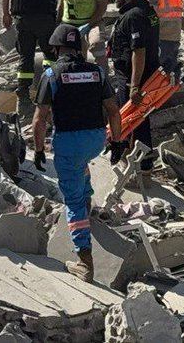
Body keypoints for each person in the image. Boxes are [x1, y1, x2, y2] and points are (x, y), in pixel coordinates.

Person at [32, 23, 125, 282]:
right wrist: (117, 142)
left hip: (68, 142)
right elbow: (114, 111)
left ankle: (85, 262)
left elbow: (39, 120)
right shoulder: (96, 72)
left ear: (57, 48)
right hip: (95, 139)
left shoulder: (51, 74)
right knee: (81, 168)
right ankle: (87, 204)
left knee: (71, 200)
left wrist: (39, 150)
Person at [107, 0, 160, 188]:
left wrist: (134, 85)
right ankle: (140, 167)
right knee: (139, 120)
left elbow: (139, 51)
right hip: (143, 75)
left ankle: (140, 171)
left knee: (132, 122)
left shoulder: (134, 16)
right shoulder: (147, 10)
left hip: (131, 78)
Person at [2, 0, 64, 109]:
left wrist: (5, 13)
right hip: (45, 18)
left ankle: (23, 93)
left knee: (25, 56)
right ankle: (50, 89)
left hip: (22, 19)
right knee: (50, 54)